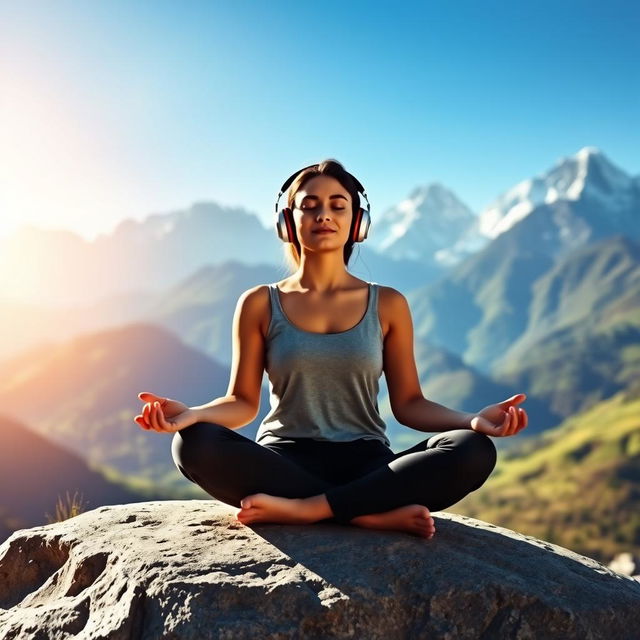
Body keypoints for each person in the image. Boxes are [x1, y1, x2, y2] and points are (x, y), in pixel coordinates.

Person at [134, 159, 529, 539]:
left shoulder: (388, 303)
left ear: (357, 223)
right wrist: (190, 415)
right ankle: (364, 513)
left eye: (337, 206)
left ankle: (308, 511)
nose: (324, 215)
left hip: (368, 462)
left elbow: (409, 404)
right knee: (193, 442)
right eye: (309, 206)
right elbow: (241, 402)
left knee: (473, 450)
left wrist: (473, 420)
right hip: (283, 462)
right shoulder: (258, 302)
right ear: (289, 223)